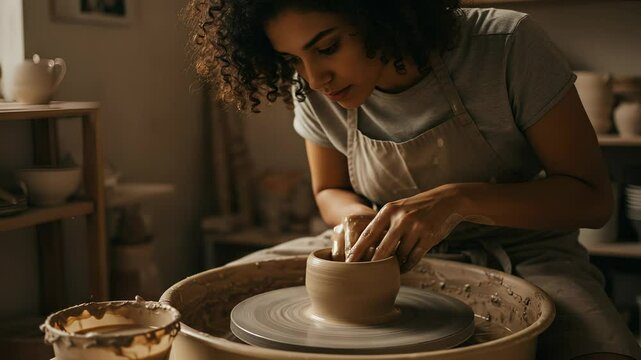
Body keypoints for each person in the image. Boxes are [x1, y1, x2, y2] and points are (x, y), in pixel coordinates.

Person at [185, 1, 641, 359]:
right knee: (202, 314)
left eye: (326, 48)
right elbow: (329, 192)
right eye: (293, 59)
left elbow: (592, 198)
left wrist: (457, 200)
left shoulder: (504, 46)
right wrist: (358, 219)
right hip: (385, 255)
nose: (315, 77)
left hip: (527, 251)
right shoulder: (311, 85)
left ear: (379, 12)